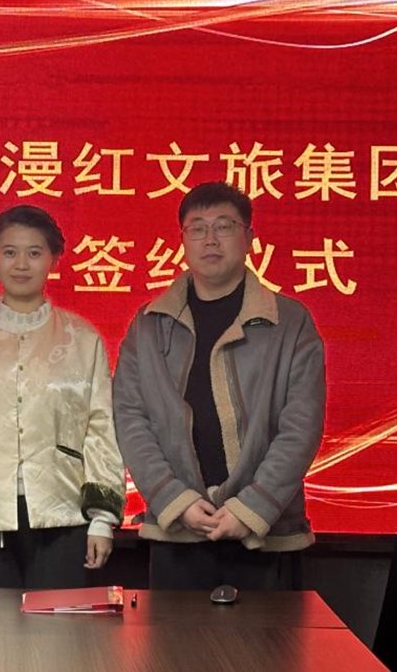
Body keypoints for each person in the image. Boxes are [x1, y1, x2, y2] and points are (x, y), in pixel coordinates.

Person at [113, 181, 325, 590]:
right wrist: (175, 500)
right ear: (183, 240)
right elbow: (130, 419)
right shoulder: (149, 325)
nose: (210, 239)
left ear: (249, 237)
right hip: (177, 532)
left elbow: (302, 425)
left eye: (224, 226)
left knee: (268, 636)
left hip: (266, 536)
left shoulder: (290, 322)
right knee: (173, 637)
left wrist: (250, 508)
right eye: (198, 228)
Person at [0, 205, 126, 589]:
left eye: (34, 252)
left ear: (53, 259)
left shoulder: (83, 339)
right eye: (10, 252)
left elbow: (101, 428)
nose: (21, 264)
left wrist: (102, 518)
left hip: (64, 511)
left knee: (59, 622)